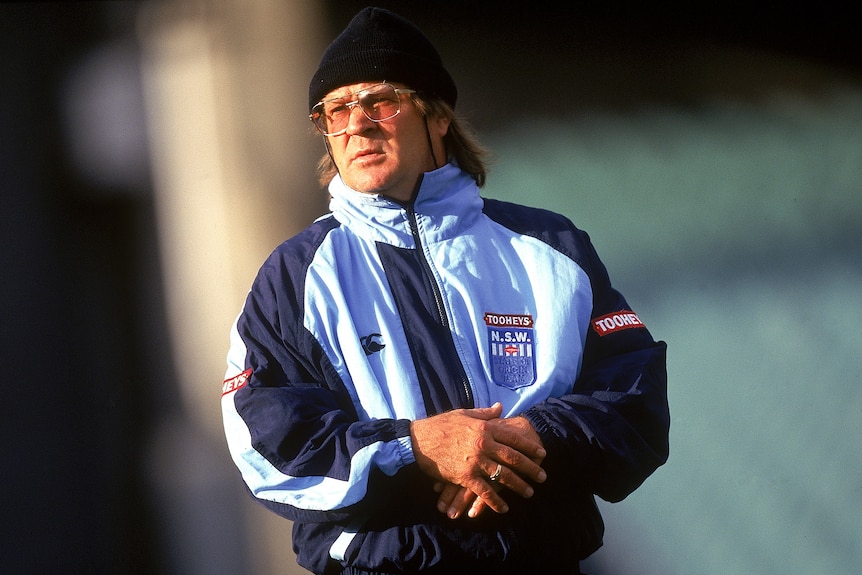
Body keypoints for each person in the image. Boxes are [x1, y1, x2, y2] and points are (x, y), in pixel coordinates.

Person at [221, 7, 669, 575]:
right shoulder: (293, 276)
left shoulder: (551, 245)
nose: (357, 125)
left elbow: (636, 399)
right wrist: (418, 451)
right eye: (336, 111)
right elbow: (267, 446)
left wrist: (523, 441)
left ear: (436, 116)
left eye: (379, 102)